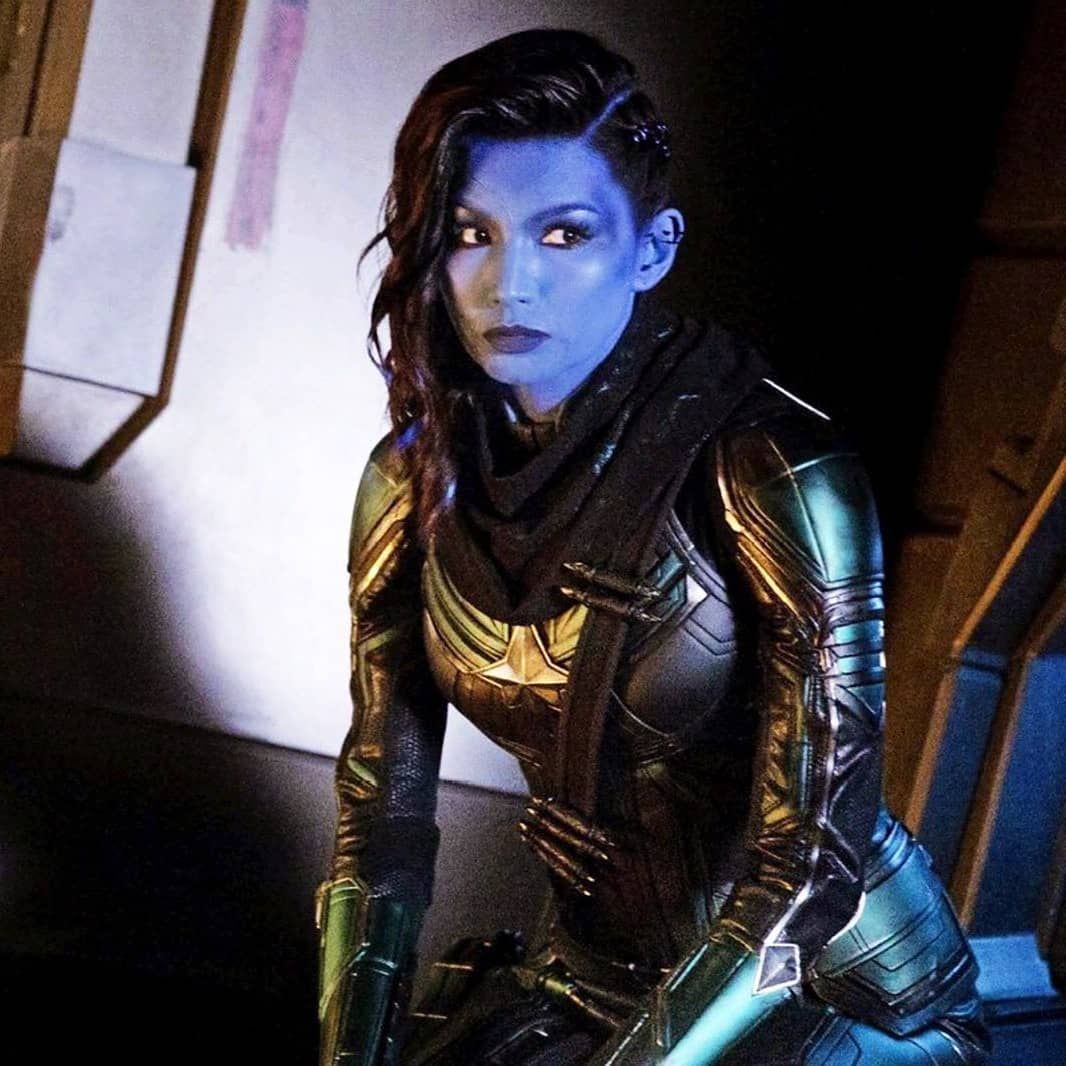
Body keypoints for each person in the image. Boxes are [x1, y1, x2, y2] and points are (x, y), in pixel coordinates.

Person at [316, 28, 989, 1066]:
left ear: (652, 248)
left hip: (839, 995)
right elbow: (381, 815)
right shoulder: (418, 476)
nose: (508, 284)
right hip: (594, 974)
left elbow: (811, 863)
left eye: (563, 234)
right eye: (469, 232)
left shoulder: (774, 469)